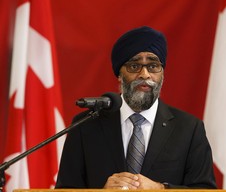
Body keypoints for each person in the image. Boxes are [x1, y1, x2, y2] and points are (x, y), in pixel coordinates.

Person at [55, 26, 217, 189]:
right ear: (119, 74)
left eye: (153, 66)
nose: (144, 74)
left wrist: (161, 189)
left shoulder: (189, 128)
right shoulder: (85, 125)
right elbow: (65, 189)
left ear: (162, 73)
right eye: (134, 66)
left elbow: (205, 189)